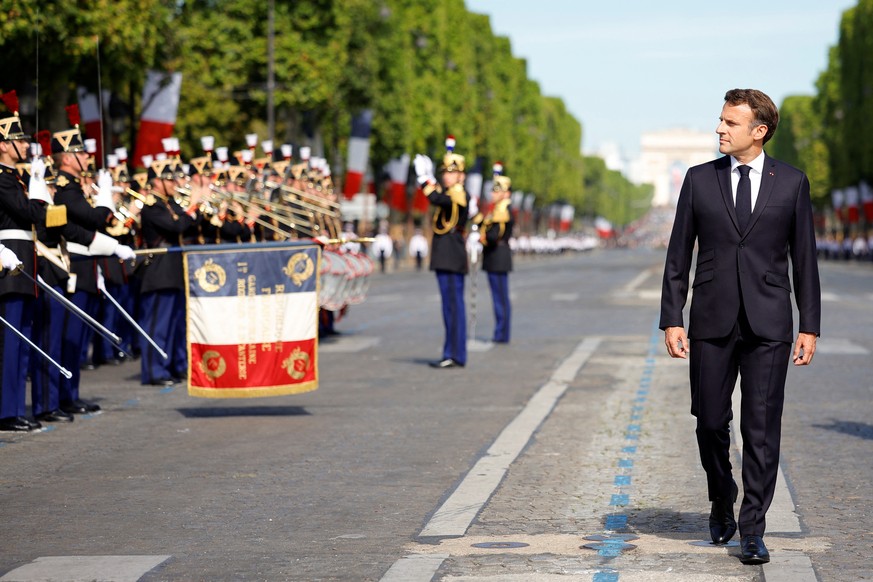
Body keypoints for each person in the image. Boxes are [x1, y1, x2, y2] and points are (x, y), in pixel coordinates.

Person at [660, 89, 821, 565]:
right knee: (710, 420)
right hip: (710, 319)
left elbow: (806, 261)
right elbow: (677, 256)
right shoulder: (697, 180)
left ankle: (753, 528)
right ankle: (720, 491)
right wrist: (673, 316)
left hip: (770, 322)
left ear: (759, 131)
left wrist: (809, 325)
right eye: (720, 120)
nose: (719, 130)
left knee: (761, 428)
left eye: (730, 123)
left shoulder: (791, 183)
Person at [414, 136, 470, 369]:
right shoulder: (452, 193)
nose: (446, 175)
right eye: (444, 171)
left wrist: (424, 178)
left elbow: (437, 198)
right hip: (447, 255)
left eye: (451, 172)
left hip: (451, 256)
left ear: (461, 176)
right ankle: (453, 352)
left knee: (453, 307)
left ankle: (454, 353)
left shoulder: (457, 194)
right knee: (450, 307)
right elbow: (440, 197)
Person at [475, 162, 513, 343]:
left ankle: (501, 332)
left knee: (500, 298)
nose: (493, 194)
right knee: (499, 297)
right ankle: (501, 332)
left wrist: (481, 238)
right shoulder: (497, 210)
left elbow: (493, 235)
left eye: (497, 191)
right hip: (495, 257)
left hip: (498, 256)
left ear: (506, 193)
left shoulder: (503, 210)